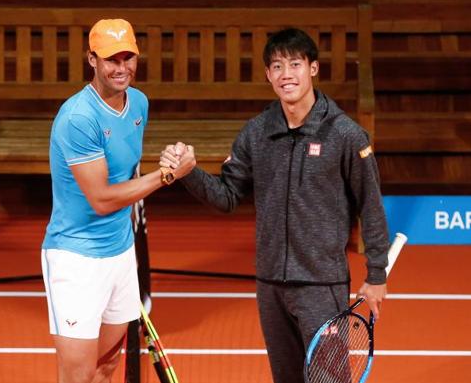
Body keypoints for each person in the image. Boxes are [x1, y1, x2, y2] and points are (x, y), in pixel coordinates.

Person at [160, 28, 390, 383]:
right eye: (277, 66)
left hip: (320, 284)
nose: (287, 74)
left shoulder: (345, 135)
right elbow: (227, 196)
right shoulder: (257, 133)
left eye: (295, 64)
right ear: (268, 75)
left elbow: (371, 206)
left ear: (313, 68)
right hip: (271, 285)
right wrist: (190, 174)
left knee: (328, 380)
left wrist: (376, 275)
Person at [41, 18, 177, 383]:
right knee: (79, 375)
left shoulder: (139, 105)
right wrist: (166, 175)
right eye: (111, 60)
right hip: (76, 259)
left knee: (108, 365)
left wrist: (169, 161)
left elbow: (128, 172)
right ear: (92, 60)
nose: (121, 68)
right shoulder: (77, 118)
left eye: (127, 58)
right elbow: (101, 199)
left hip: (120, 253)